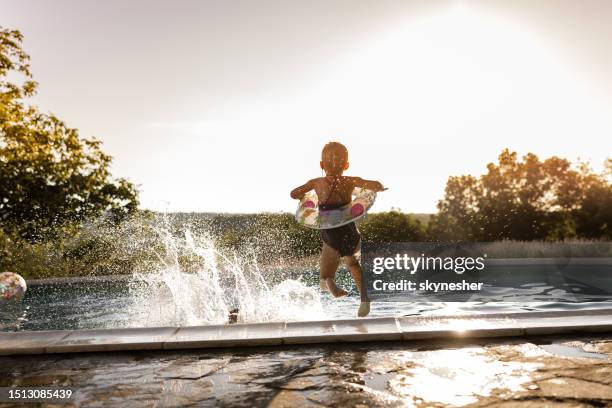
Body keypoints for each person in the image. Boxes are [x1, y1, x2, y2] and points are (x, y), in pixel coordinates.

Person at [290, 141, 386, 317]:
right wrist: (379, 187)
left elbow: (293, 193)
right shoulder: (350, 181)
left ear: (321, 165)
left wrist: (304, 197)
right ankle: (364, 298)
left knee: (325, 276)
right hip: (348, 228)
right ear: (346, 165)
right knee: (354, 264)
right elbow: (375, 184)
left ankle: (330, 283)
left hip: (329, 231)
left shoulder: (316, 182)